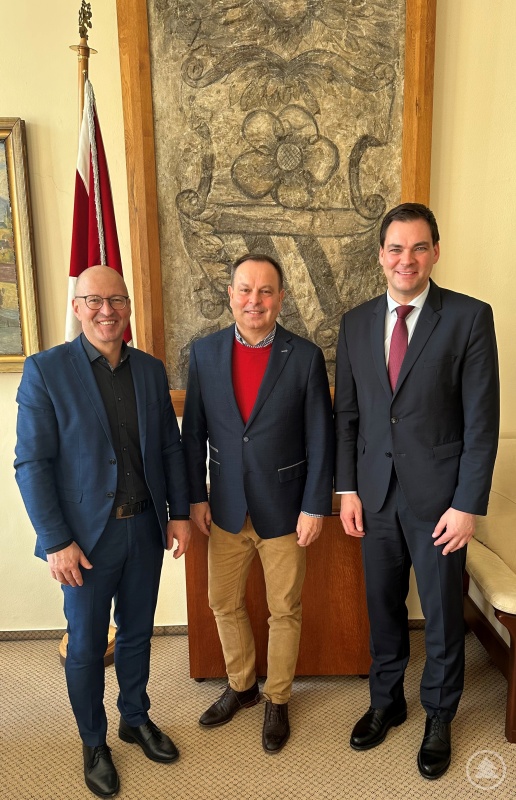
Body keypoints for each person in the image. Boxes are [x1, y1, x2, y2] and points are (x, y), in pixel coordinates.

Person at [334, 203, 499, 778]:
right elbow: (347, 417)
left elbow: (482, 422)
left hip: (440, 503)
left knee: (441, 614)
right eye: (396, 248)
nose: (407, 259)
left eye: (419, 247)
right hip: (373, 496)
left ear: (435, 252)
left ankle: (438, 714)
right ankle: (387, 701)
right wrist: (346, 491)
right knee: (381, 606)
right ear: (381, 255)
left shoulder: (470, 318)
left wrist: (467, 505)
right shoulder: (354, 322)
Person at [14, 265, 191, 798]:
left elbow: (168, 449)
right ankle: (94, 743)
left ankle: (134, 719)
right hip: (84, 543)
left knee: (138, 634)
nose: (106, 310)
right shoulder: (46, 371)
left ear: (129, 307)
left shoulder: (150, 371)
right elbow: (32, 464)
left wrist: (179, 511)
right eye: (94, 301)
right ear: (77, 306)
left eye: (116, 300)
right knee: (88, 646)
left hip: (145, 529)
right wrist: (55, 541)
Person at [182, 253, 334, 753]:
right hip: (224, 509)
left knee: (283, 610)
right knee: (221, 602)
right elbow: (195, 435)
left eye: (266, 291)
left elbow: (320, 439)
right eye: (245, 290)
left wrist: (315, 506)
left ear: (280, 299)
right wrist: (196, 498)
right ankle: (243, 686)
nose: (255, 301)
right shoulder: (203, 354)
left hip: (286, 511)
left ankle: (277, 699)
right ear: (231, 295)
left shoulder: (305, 356)